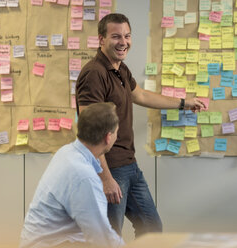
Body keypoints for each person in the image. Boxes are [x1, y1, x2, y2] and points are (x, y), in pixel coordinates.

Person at [76, 13, 205, 237]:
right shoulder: (94, 74)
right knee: (107, 236)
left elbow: (142, 95)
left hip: (129, 165)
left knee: (152, 229)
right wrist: (105, 178)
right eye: (116, 36)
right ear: (101, 39)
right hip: (109, 168)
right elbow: (89, 132)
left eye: (127, 36)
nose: (123, 42)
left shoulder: (119, 69)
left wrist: (184, 103)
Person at [20, 103, 124, 248]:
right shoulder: (84, 177)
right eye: (116, 132)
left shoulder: (67, 152)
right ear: (108, 137)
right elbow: (101, 238)